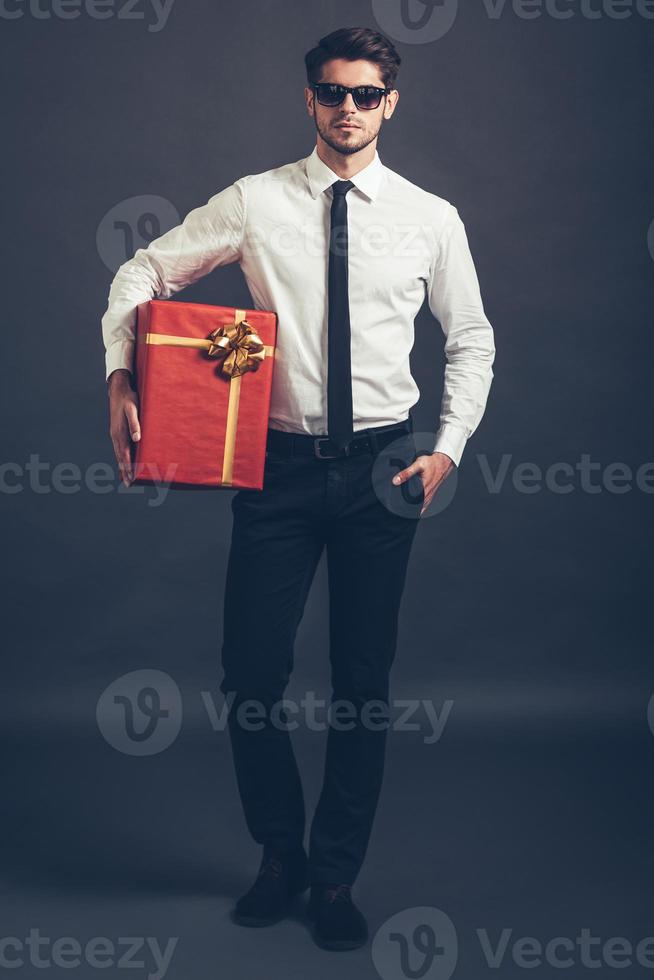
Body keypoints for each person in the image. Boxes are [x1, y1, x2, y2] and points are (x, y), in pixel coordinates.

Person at [102, 25, 495, 952]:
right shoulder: (254, 201)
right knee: (250, 678)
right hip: (275, 467)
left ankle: (335, 875)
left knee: (361, 686)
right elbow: (144, 269)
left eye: (365, 94)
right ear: (308, 100)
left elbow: (471, 336)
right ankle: (278, 855)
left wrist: (449, 448)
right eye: (331, 93)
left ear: (390, 102)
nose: (347, 108)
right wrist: (122, 372)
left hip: (383, 473)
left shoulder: (430, 216)